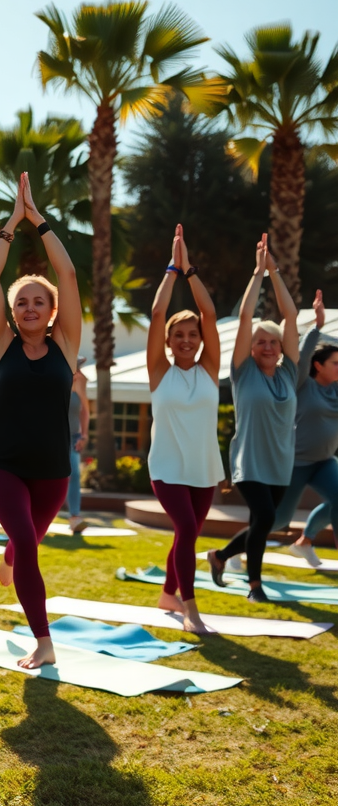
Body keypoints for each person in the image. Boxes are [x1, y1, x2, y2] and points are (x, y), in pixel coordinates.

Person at [0, 173, 81, 669]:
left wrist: (38, 220)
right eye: (21, 301)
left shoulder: (66, 345)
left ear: (52, 311)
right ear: (13, 313)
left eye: (38, 301)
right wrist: (10, 224)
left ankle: (9, 558)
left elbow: (68, 276)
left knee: (24, 544)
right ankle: (44, 641)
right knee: (26, 543)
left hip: (52, 473)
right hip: (2, 466)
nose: (29, 306)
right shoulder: (2, 347)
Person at [208, 234, 299, 602]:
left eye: (272, 341)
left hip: (281, 462)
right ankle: (255, 586)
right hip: (248, 460)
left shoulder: (290, 373)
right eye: (260, 341)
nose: (267, 346)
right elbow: (246, 315)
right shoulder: (243, 372)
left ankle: (220, 556)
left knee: (265, 522)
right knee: (263, 518)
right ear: (251, 346)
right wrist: (258, 273)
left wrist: (275, 272)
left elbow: (291, 315)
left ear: (280, 347)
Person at [145, 225, 224, 633]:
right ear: (169, 341)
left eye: (193, 335)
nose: (188, 340)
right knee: (188, 529)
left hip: (204, 467)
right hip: (167, 467)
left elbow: (209, 314)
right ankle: (190, 611)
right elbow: (158, 313)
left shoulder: (210, 371)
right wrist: (172, 270)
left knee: (187, 536)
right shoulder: (160, 372)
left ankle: (167, 594)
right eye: (180, 335)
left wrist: (191, 271)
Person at [271, 289, 338, 564]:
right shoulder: (302, 384)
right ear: (318, 366)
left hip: (324, 461)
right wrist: (317, 327)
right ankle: (232, 550)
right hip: (296, 463)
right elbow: (300, 356)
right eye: (335, 363)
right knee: (279, 519)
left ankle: (305, 541)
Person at [63, 362, 90, 534]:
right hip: (50, 437)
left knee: (74, 474)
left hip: (72, 437)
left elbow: (85, 410)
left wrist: (84, 435)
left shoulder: (79, 382)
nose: (78, 370)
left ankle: (75, 517)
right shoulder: (54, 377)